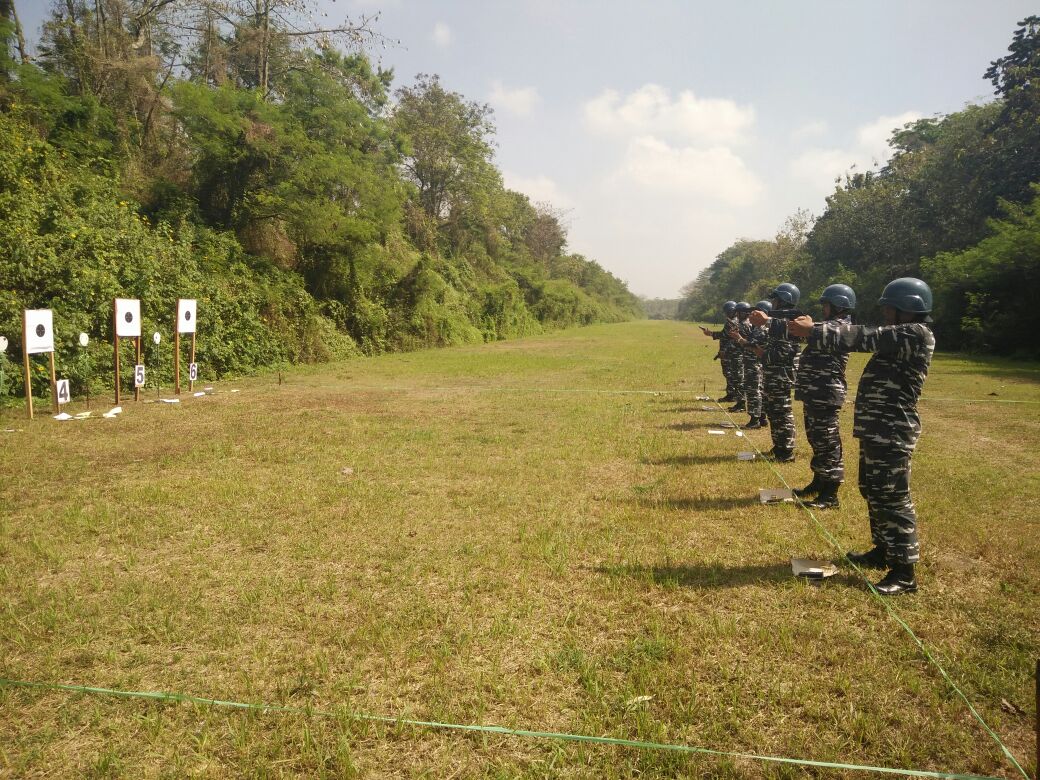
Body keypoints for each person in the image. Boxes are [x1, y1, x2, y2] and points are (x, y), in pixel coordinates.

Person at [787, 278, 935, 596]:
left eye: (889, 308)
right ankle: (883, 550)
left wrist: (815, 330)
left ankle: (904, 572)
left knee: (893, 497)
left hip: (893, 431)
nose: (885, 313)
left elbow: (862, 337)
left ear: (907, 309)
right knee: (873, 490)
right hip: (878, 429)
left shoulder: (915, 334)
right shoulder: (902, 334)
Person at [792, 284, 855, 509]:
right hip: (815, 393)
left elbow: (814, 329)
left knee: (828, 443)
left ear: (839, 305)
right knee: (817, 439)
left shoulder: (841, 328)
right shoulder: (827, 326)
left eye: (827, 305)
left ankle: (830, 494)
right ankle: (819, 481)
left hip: (826, 393)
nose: (824, 309)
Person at [747, 283, 801, 462]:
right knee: (774, 411)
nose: (773, 303)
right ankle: (779, 446)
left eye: (776, 299)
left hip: (781, 375)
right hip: (773, 374)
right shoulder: (778, 323)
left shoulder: (791, 323)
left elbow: (782, 352)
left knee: (782, 412)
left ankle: (786, 452)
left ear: (784, 300)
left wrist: (762, 354)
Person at [729, 300, 769, 428]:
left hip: (755, 365)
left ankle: (755, 419)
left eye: (754, 313)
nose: (751, 315)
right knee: (758, 390)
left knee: (754, 391)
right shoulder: (756, 328)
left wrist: (738, 338)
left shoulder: (761, 329)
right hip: (753, 364)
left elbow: (752, 345)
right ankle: (762, 417)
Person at [700, 301, 743, 403]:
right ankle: (731, 394)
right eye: (727, 312)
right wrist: (710, 333)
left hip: (731, 353)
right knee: (729, 374)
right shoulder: (731, 321)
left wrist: (710, 334)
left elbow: (727, 337)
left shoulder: (733, 322)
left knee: (732, 374)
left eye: (729, 311)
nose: (727, 313)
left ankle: (735, 396)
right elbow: (724, 334)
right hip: (727, 352)